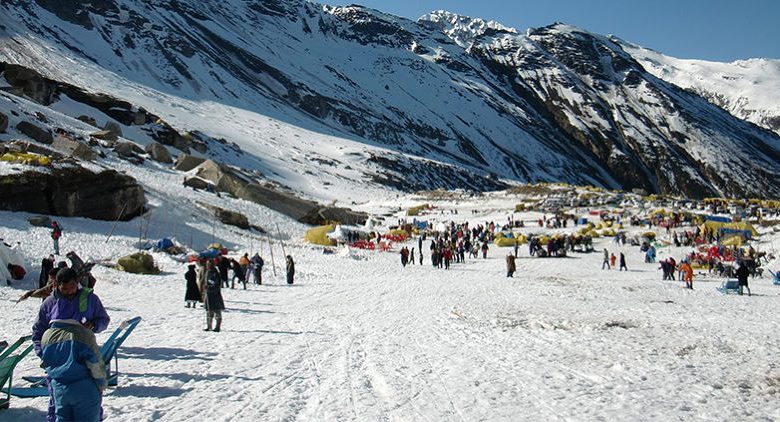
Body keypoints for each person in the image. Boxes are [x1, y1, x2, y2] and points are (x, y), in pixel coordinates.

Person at [32, 268, 110, 422]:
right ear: (56, 285)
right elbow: (38, 331)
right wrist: (44, 355)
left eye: (72, 287)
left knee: (88, 409)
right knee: (57, 409)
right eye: (64, 288)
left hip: (83, 361)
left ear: (77, 283)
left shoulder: (89, 299)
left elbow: (103, 320)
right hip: (57, 365)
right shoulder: (49, 303)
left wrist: (93, 325)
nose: (69, 291)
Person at [40, 318, 106, 422]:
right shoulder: (83, 333)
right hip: (84, 388)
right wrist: (101, 382)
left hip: (59, 388)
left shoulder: (46, 335)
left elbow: (45, 361)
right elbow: (94, 362)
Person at [200, 261, 224, 332]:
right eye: (207, 264)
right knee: (208, 312)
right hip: (208, 295)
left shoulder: (215, 274)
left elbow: (217, 285)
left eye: (209, 264)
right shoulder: (207, 272)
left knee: (217, 312)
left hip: (215, 295)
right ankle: (209, 326)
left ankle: (217, 327)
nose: (207, 266)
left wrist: (209, 287)